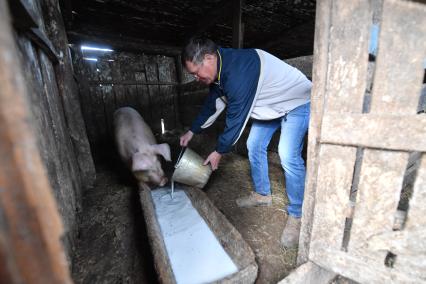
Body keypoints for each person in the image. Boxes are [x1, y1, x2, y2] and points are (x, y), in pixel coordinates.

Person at [179, 37, 311, 248]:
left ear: (209, 58)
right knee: (254, 145)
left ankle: (298, 214)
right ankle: (262, 194)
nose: (195, 78)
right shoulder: (219, 75)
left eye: (196, 72)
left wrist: (219, 151)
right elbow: (212, 106)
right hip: (271, 104)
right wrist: (192, 132)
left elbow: (236, 119)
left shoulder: (238, 71)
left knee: (287, 153)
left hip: (297, 101)